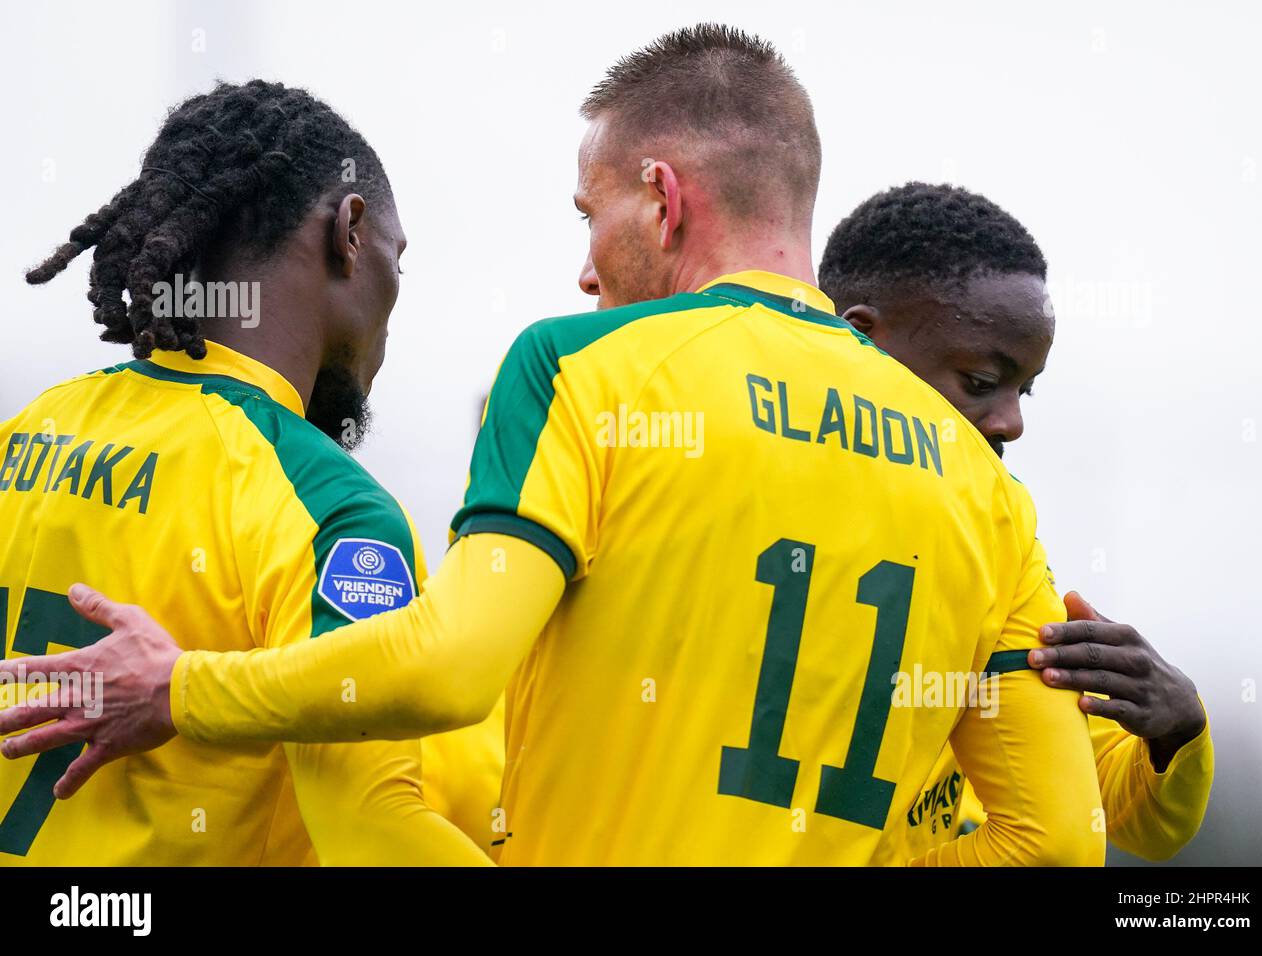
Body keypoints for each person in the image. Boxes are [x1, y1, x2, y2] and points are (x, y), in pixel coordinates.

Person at [0, 25, 1104, 866]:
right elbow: (1057, 843)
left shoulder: (579, 367)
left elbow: (450, 666)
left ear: (660, 200)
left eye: (589, 213)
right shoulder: (987, 492)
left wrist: (183, 687)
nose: (586, 265)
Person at [0, 80, 488, 865]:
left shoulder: (23, 432)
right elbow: (368, 826)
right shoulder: (332, 506)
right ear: (351, 233)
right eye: (401, 259)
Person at [818, 182, 1213, 860]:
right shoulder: (751, 499)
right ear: (861, 336)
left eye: (1023, 388)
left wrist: (1176, 733)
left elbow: (1123, 820)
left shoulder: (995, 528)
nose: (1012, 423)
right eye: (980, 381)